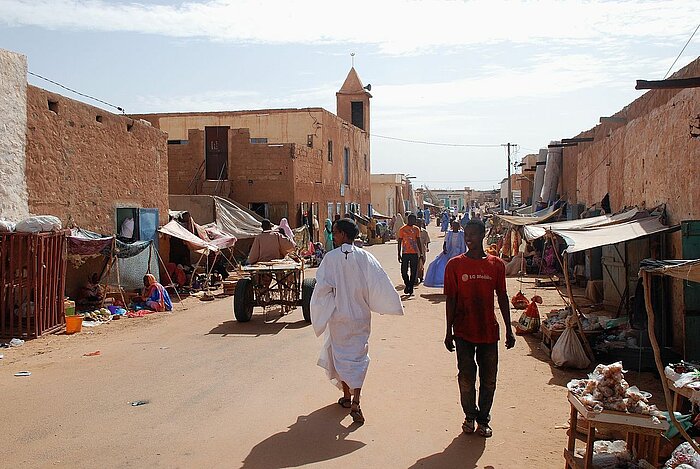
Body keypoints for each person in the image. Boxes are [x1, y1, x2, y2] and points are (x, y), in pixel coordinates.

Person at [310, 218, 403, 424]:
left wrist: (321, 311)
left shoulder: (331, 258)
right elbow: (380, 284)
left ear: (343, 234)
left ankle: (346, 396)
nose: (333, 236)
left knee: (340, 355)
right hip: (360, 316)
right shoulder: (366, 257)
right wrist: (386, 304)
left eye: (335, 232)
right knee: (358, 357)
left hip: (338, 317)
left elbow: (321, 288)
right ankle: (355, 399)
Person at [443, 218, 515, 438]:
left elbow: (502, 296)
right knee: (466, 376)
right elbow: (451, 300)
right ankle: (469, 416)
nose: (468, 239)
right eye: (466, 235)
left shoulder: (496, 265)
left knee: (489, 378)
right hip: (463, 331)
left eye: (472, 235)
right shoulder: (454, 265)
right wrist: (448, 331)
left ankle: (484, 419)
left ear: (482, 236)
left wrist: (509, 329)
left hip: (488, 331)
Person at [424, 221, 467, 288]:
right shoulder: (449, 233)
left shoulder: (462, 234)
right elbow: (445, 242)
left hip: (459, 252)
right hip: (450, 253)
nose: (455, 227)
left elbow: (465, 243)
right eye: (453, 226)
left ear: (458, 226)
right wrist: (444, 249)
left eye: (456, 226)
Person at [397, 214, 423, 296]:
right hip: (405, 253)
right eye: (411, 220)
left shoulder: (416, 229)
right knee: (403, 271)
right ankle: (407, 284)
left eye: (414, 220)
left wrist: (421, 253)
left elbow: (418, 241)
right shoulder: (402, 229)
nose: (413, 222)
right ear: (408, 220)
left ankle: (410, 287)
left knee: (413, 271)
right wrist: (398, 253)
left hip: (414, 253)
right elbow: (399, 241)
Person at [416, 219, 431, 283]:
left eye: (419, 223)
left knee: (422, 264)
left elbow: (427, 241)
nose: (418, 224)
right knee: (415, 264)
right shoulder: (413, 231)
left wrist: (427, 247)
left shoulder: (424, 232)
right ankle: (415, 278)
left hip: (422, 250)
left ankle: (421, 277)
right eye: (417, 223)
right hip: (415, 250)